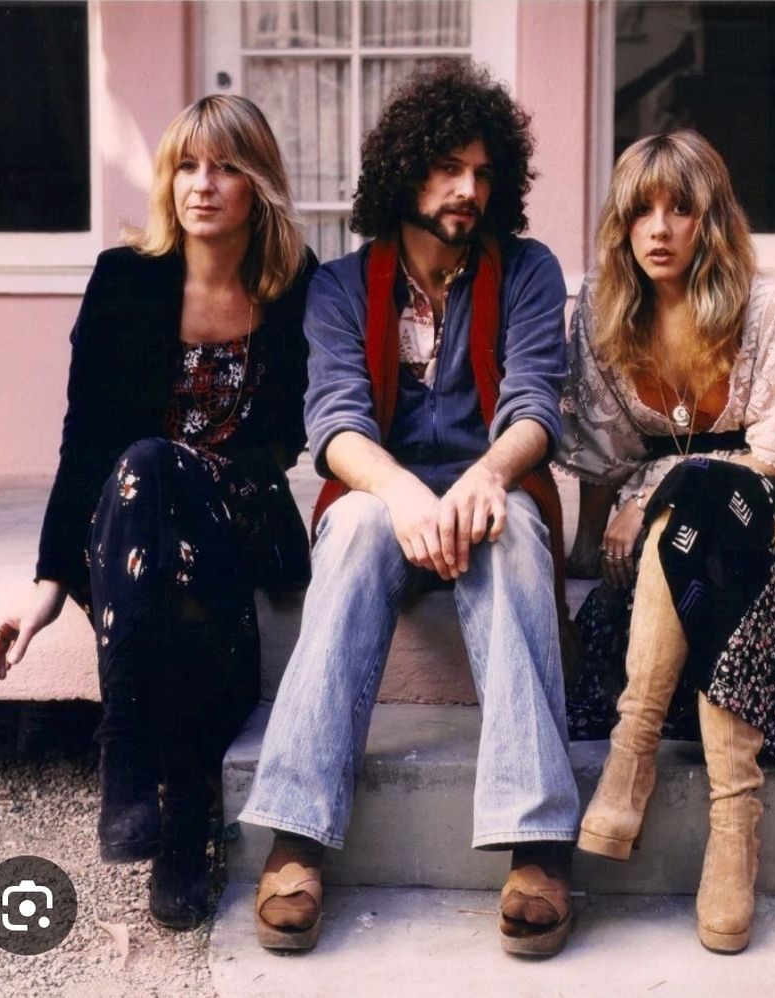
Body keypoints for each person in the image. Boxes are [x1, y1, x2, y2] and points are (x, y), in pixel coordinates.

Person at [238, 62, 580, 957]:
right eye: (446, 169)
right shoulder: (344, 286)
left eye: (481, 171)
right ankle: (296, 838)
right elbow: (336, 425)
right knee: (349, 529)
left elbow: (536, 403)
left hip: (493, 487)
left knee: (508, 542)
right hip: (381, 491)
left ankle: (537, 841)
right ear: (404, 171)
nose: (467, 189)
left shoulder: (529, 271)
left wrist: (485, 479)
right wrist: (399, 493)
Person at [0, 95, 318, 931]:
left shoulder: (297, 288)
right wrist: (49, 582)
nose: (202, 186)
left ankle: (127, 756)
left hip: (234, 520)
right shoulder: (125, 280)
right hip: (134, 536)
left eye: (226, 166)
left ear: (259, 184)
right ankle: (184, 818)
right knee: (137, 473)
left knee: (153, 466)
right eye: (187, 166)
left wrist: (187, 471)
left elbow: (283, 442)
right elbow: (83, 438)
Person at [556, 129, 775, 953]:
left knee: (699, 500)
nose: (660, 228)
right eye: (641, 209)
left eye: (681, 208)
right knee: (687, 522)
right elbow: (605, 457)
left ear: (709, 221)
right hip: (678, 531)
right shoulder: (603, 314)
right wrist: (593, 545)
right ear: (621, 222)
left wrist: (653, 495)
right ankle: (729, 815)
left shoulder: (763, 303)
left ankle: (645, 761)